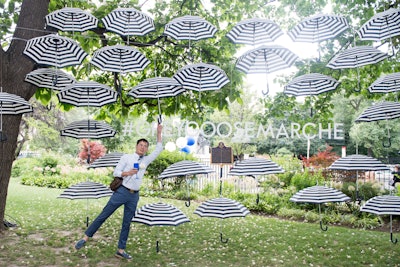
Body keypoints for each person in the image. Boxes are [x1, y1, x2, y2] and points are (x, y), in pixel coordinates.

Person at [74, 123, 163, 260]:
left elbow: (158, 149)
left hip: (134, 196)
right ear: (136, 146)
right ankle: (85, 238)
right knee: (105, 214)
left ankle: (120, 250)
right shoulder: (127, 157)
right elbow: (116, 172)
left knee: (126, 223)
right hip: (122, 192)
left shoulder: (146, 160)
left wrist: (159, 133)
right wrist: (127, 173)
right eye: (141, 145)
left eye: (145, 146)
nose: (143, 147)